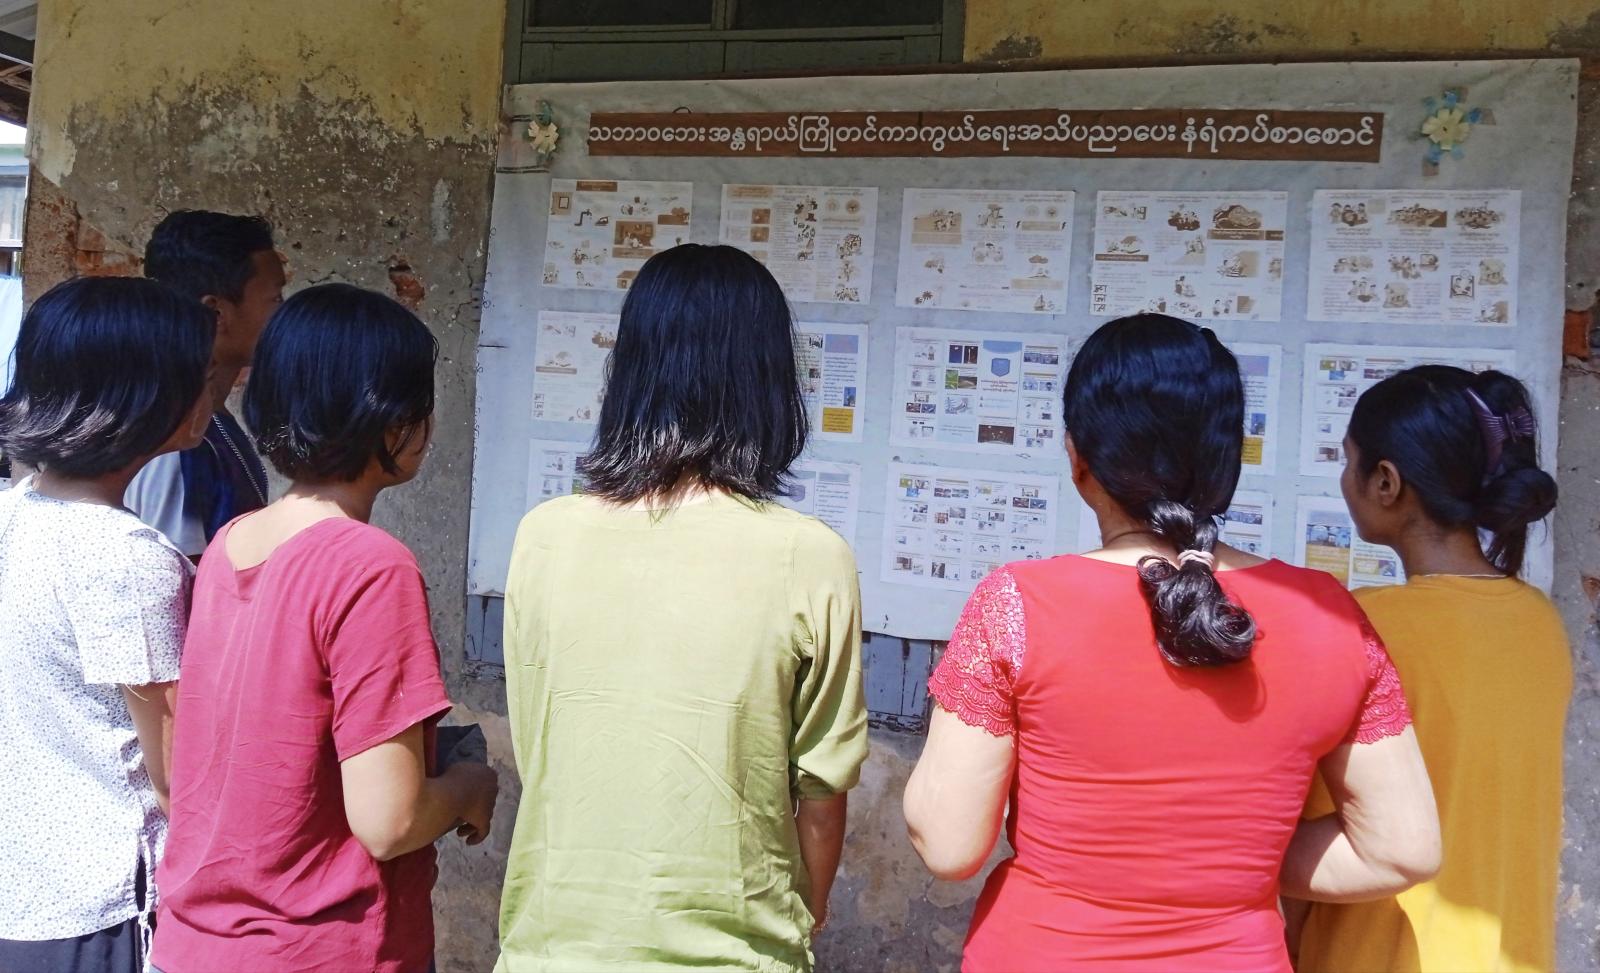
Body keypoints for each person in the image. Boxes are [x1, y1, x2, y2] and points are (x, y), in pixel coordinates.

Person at [903, 313, 1441, 973]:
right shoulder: (1329, 615)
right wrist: (1237, 861)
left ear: (1078, 458)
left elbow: (948, 843)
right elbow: (1401, 850)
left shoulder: (1015, 604)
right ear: (1228, 460)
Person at [497, 244, 868, 972]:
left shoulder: (544, 535)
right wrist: (805, 917)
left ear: (629, 369)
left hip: (554, 946)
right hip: (737, 953)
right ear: (769, 380)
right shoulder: (810, 555)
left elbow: (537, 742)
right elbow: (821, 797)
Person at [151, 284, 498, 973]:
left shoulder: (231, 544)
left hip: (196, 944)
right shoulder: (369, 565)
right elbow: (389, 819)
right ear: (392, 419)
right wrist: (469, 786)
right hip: (319, 948)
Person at [1292, 366, 1570, 973]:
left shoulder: (1365, 627)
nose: (1343, 478)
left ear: (1386, 482)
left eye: (1348, 461)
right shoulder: (1539, 622)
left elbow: (1302, 833)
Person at [0, 277, 214, 973]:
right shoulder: (126, 557)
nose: (212, 391)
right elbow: (177, 779)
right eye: (201, 373)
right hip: (99, 908)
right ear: (148, 394)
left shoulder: (15, 510)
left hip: (22, 892)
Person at [127, 210, 286, 558]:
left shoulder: (209, 421)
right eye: (275, 299)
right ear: (216, 313)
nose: (284, 315)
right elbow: (174, 574)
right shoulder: (174, 444)